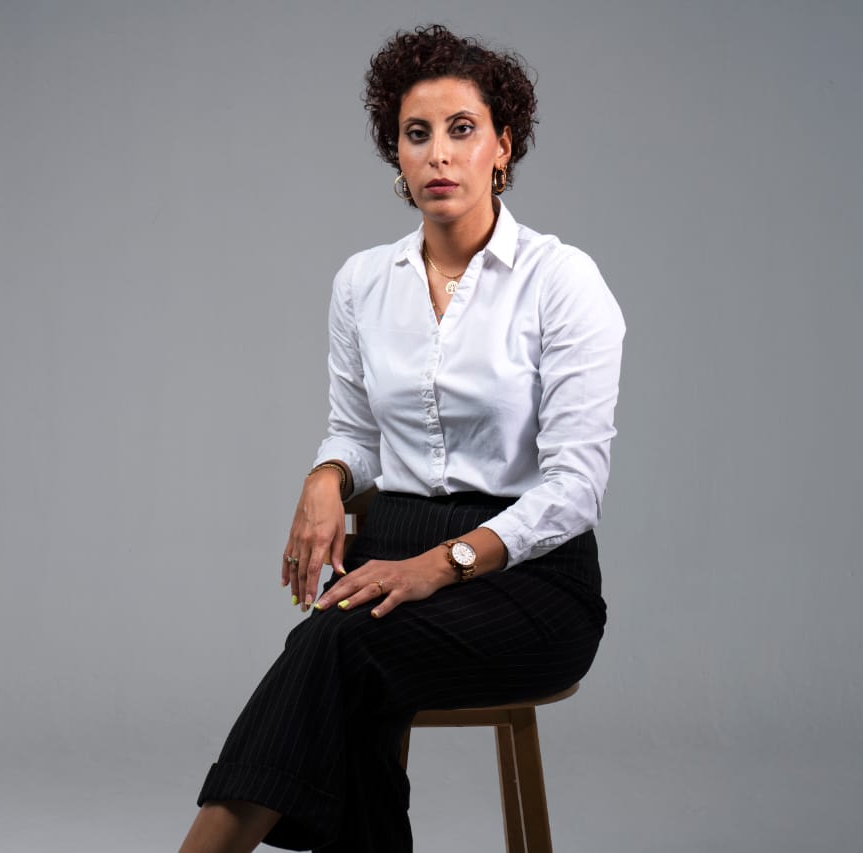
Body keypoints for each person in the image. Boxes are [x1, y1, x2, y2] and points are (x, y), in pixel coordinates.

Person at [179, 24, 625, 853]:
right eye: (417, 133)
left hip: (530, 578)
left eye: (462, 129)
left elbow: (574, 489)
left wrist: (441, 563)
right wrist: (324, 477)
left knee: (337, 648)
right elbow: (356, 432)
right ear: (397, 153)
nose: (438, 154)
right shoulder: (362, 282)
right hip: (390, 549)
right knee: (344, 657)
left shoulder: (562, 282)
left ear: (503, 146)